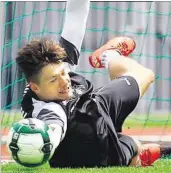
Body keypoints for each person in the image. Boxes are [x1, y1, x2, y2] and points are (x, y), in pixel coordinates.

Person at [15, 0, 161, 168]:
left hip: (96, 107)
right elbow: (54, 125)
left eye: (64, 73)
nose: (64, 82)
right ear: (35, 87)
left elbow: (75, 16)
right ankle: (137, 152)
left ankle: (109, 57)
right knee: (134, 146)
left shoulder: (54, 68)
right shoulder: (45, 109)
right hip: (98, 148)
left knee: (146, 75)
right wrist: (45, 142)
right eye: (54, 80)